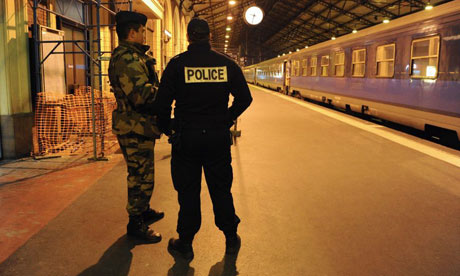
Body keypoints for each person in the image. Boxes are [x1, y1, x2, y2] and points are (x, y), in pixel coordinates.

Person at [155, 17, 253, 260]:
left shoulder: (177, 65)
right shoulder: (226, 64)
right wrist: (226, 119)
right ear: (209, 36)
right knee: (221, 190)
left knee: (188, 192)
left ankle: (185, 243)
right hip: (217, 140)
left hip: (186, 139)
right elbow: (245, 98)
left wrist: (169, 129)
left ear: (188, 37)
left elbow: (162, 104)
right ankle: (231, 238)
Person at [108, 11, 164, 243]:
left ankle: (143, 210)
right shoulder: (127, 59)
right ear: (132, 32)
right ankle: (135, 223)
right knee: (139, 175)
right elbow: (141, 95)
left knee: (145, 173)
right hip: (134, 127)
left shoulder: (133, 56)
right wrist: (168, 92)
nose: (144, 34)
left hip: (139, 125)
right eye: (142, 30)